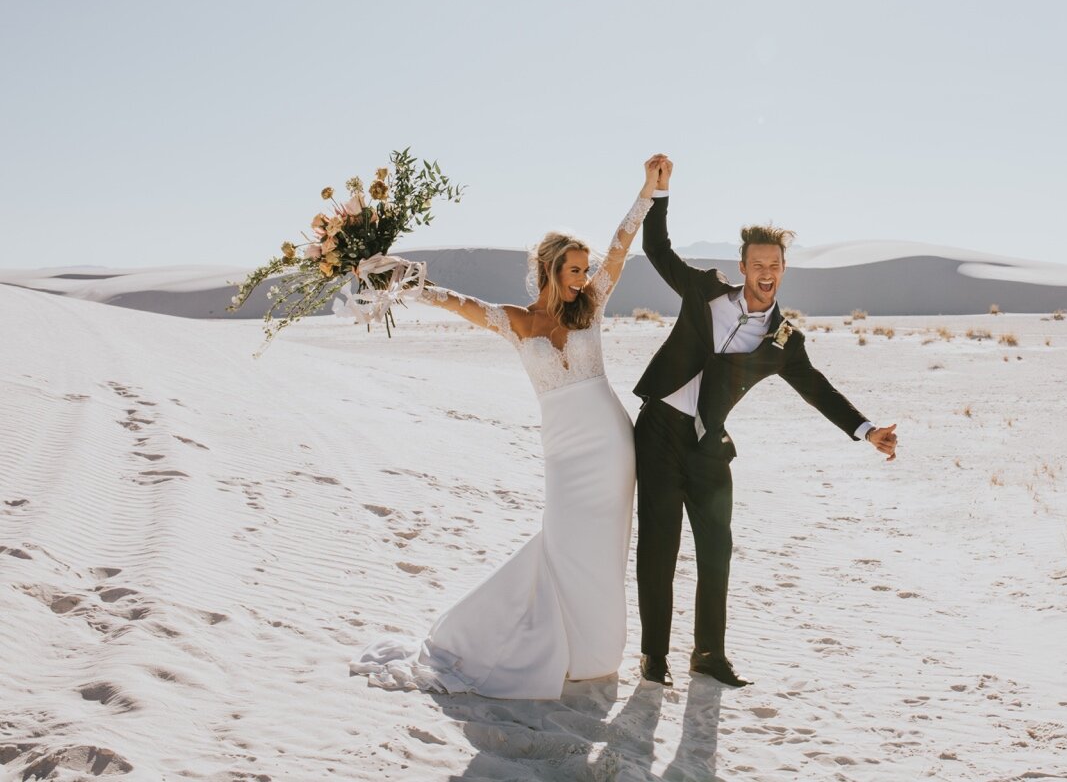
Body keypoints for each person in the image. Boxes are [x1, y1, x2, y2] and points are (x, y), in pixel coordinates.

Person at [350, 156, 668, 700]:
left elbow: (621, 247)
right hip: (565, 452)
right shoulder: (517, 321)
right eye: (573, 270)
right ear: (549, 270)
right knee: (565, 542)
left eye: (583, 269)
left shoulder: (589, 307)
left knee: (605, 547)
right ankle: (554, 641)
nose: (583, 277)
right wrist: (404, 282)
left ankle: (594, 652)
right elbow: (457, 303)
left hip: (612, 446)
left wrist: (647, 192)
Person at [631, 157, 899, 688]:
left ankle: (709, 654)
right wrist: (657, 195)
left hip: (709, 448)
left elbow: (817, 389)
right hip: (659, 429)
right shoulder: (704, 291)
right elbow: (656, 250)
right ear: (743, 265)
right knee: (658, 545)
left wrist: (867, 431)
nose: (767, 273)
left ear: (783, 269)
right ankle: (654, 657)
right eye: (758, 264)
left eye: (775, 264)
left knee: (716, 548)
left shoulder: (784, 341)